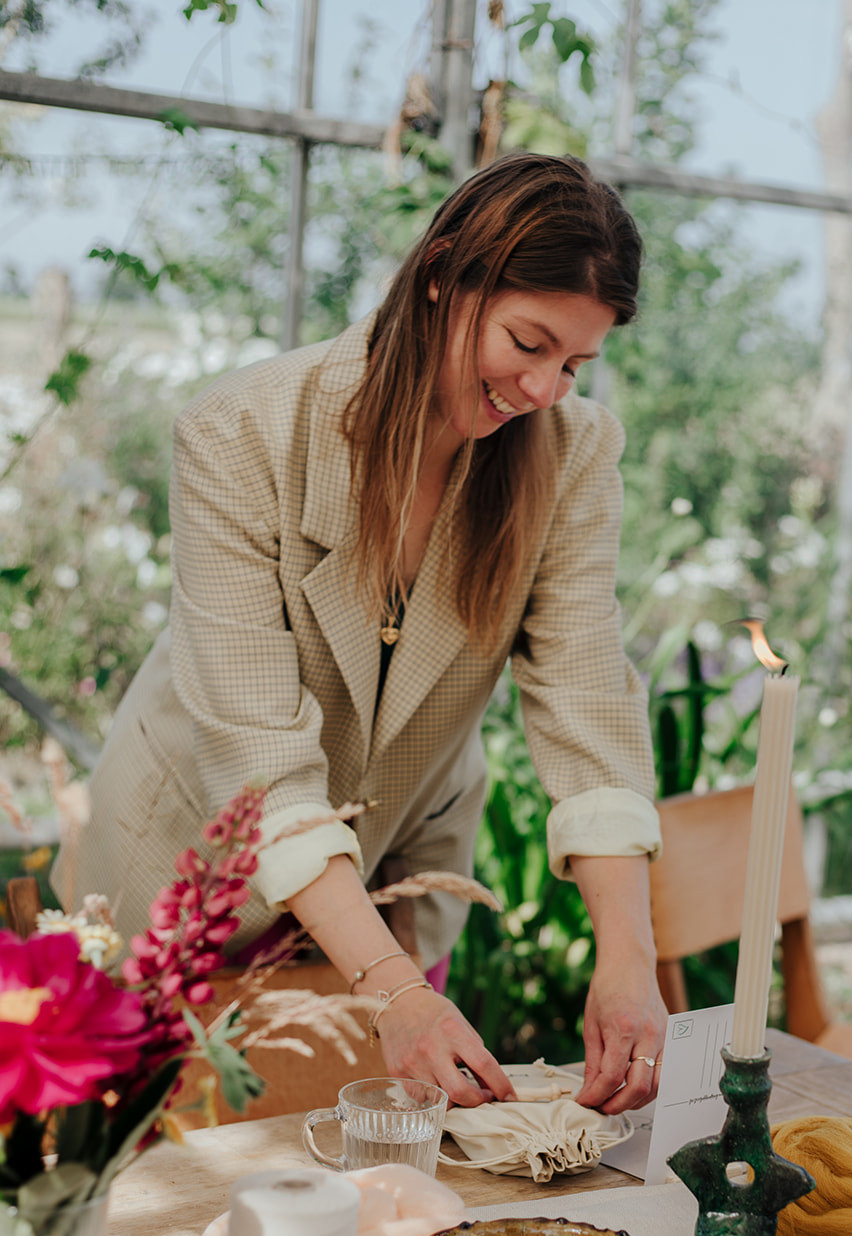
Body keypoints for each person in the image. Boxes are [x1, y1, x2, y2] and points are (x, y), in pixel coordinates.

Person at [62, 152, 667, 1114]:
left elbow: (586, 702)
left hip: (391, 877)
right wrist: (390, 993)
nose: (546, 388)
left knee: (351, 1188)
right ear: (440, 277)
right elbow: (258, 757)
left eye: (576, 363)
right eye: (527, 341)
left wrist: (629, 961)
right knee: (146, 1187)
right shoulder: (239, 433)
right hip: (180, 870)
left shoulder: (574, 454)